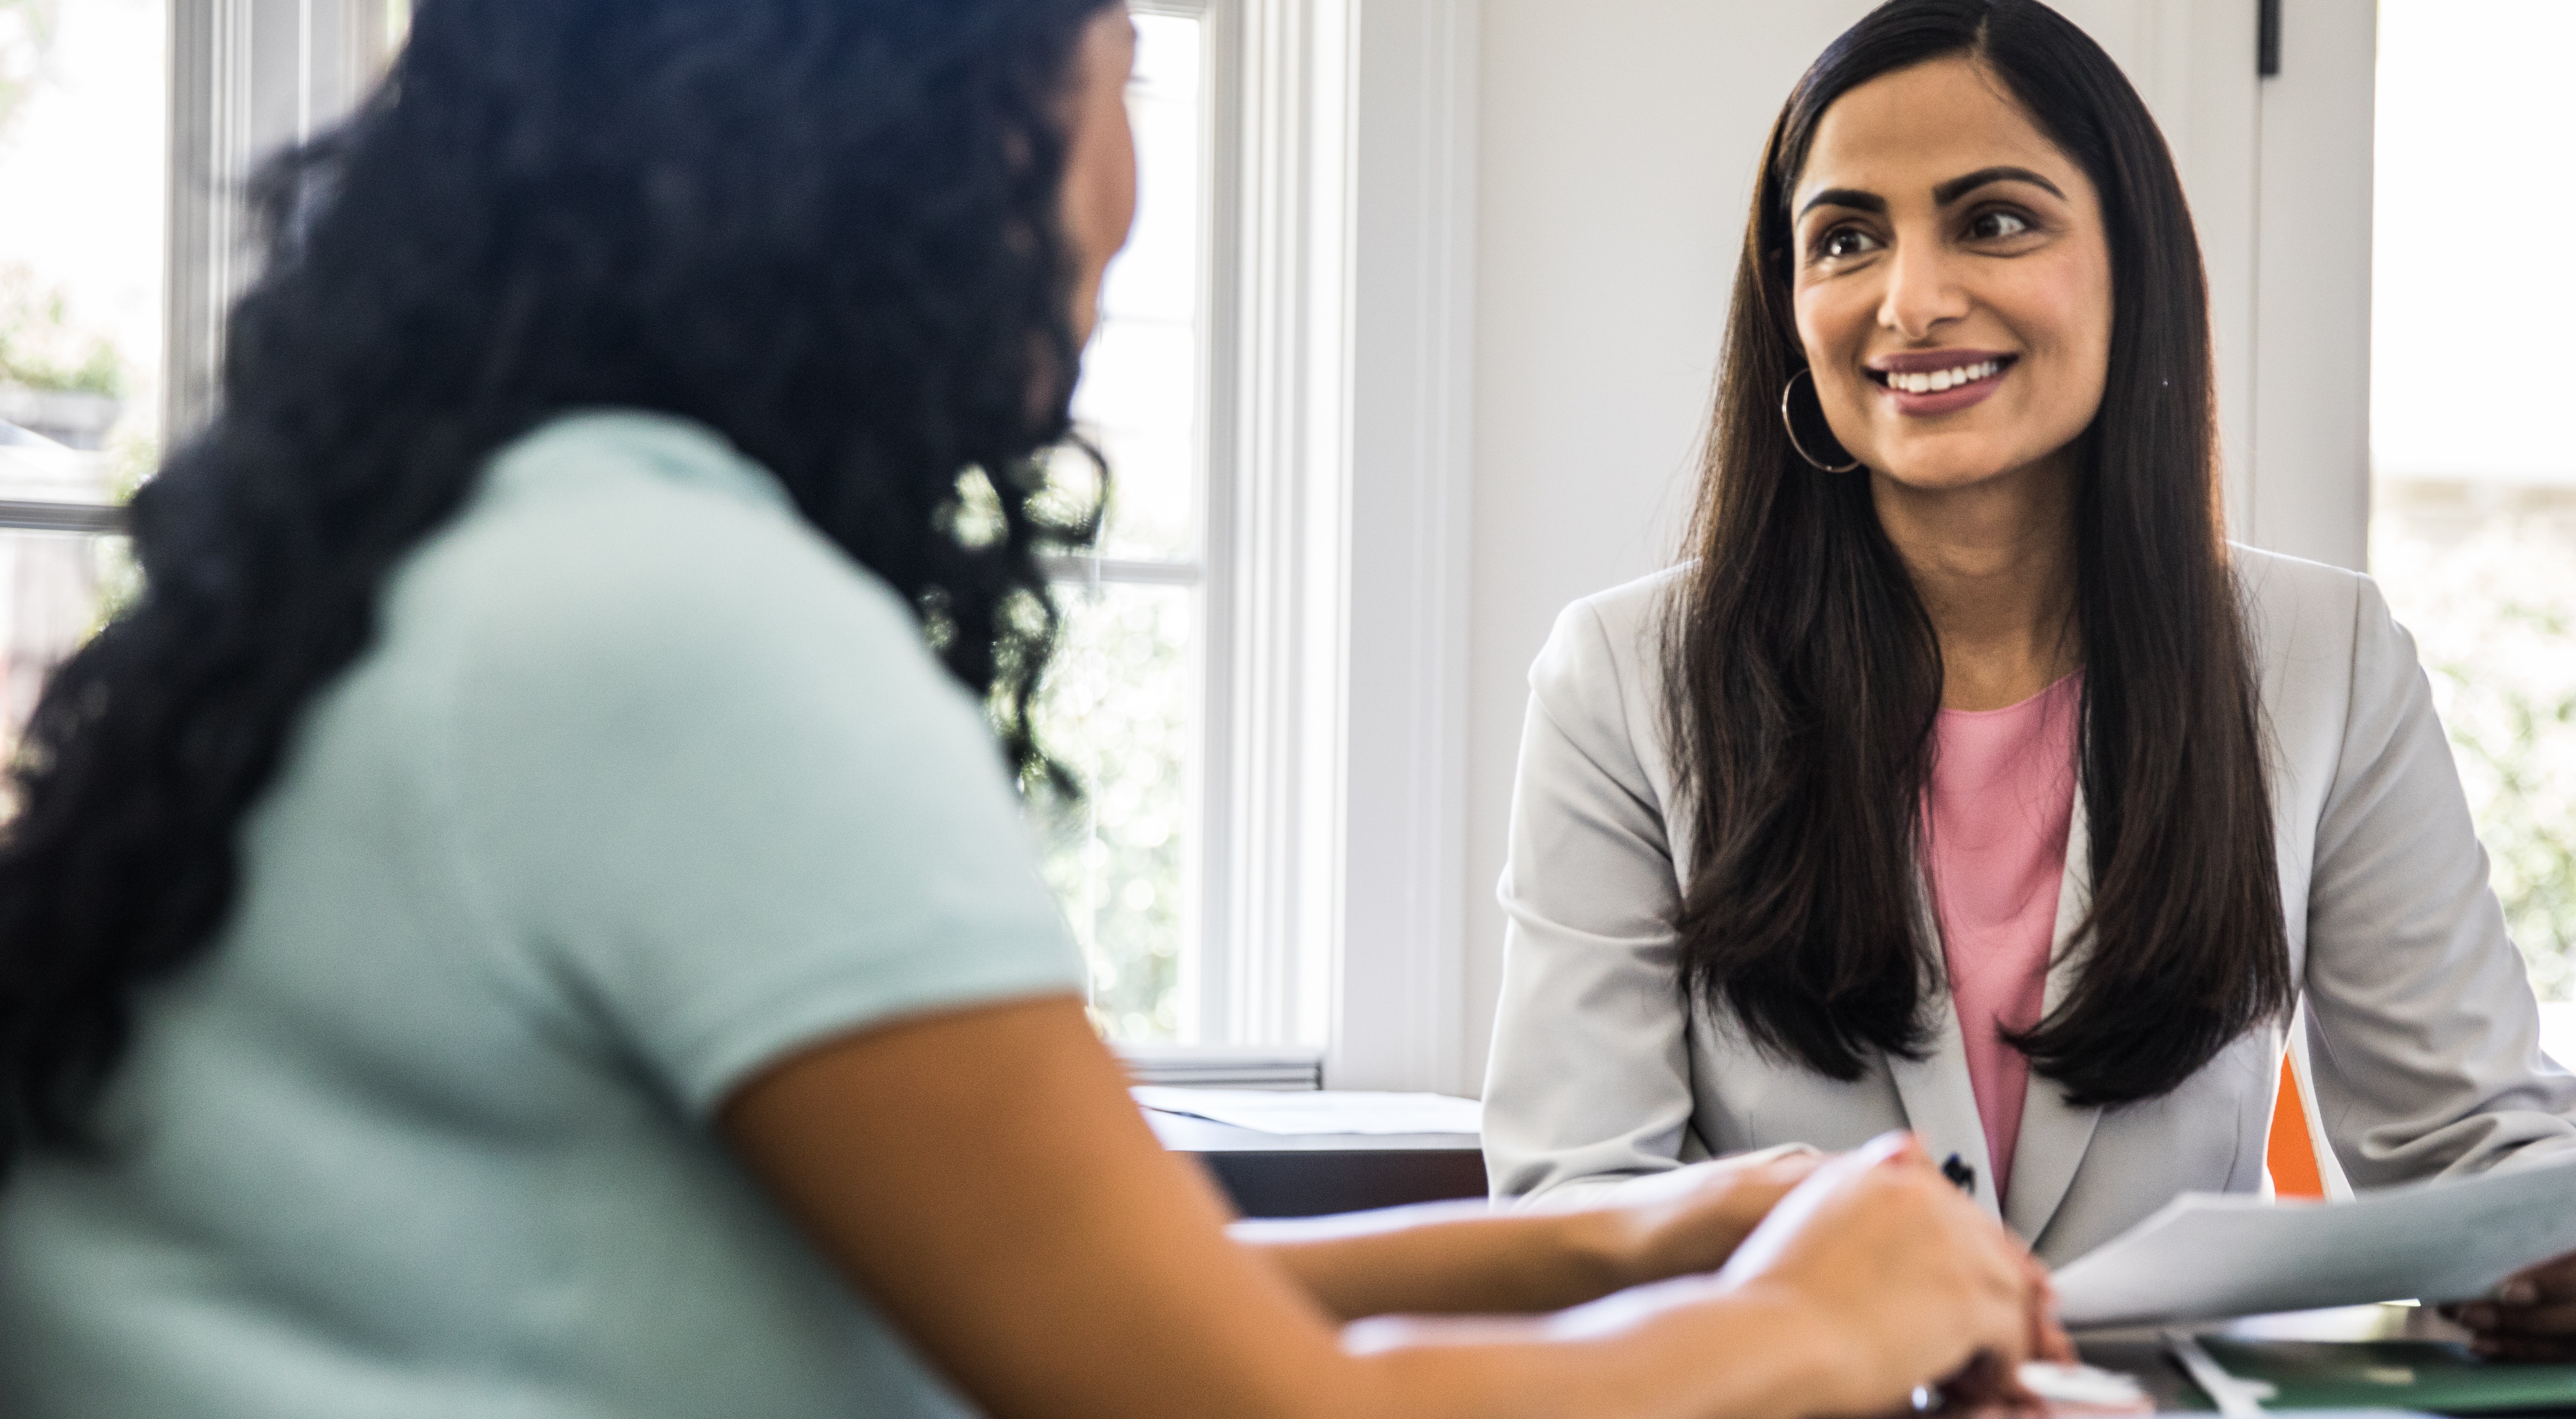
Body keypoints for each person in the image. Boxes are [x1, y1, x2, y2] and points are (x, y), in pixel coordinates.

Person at [0, 2, 2069, 1415]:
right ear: (917, 123)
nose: (1127, 180)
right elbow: (1223, 1411)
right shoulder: (678, 630)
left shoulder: (500, 548)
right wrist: (1807, 1322)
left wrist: (1640, 1234)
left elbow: (1093, 1308)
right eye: (1119, 68)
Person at [1481, 0, 2576, 1363]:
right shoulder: (1624, 682)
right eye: (1847, 239)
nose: (1910, 299)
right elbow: (1572, 1211)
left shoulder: (2325, 656)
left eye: (1995, 221)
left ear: (2132, 268)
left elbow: (2468, 1138)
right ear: (1788, 308)